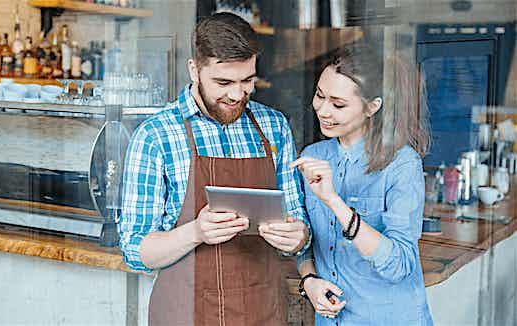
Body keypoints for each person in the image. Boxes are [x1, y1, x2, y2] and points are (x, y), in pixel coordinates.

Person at [118, 12, 311, 326]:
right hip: (185, 314)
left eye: (247, 81)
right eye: (223, 82)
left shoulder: (273, 127)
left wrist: (298, 236)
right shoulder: (155, 136)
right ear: (194, 70)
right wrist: (195, 231)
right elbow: (136, 251)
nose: (237, 95)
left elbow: (299, 220)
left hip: (262, 310)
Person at [291, 43, 434, 325]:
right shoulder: (312, 157)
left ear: (372, 107)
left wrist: (334, 201)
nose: (323, 110)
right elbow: (306, 241)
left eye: (338, 104)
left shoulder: (401, 165)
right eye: (320, 95)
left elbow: (401, 265)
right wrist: (309, 279)